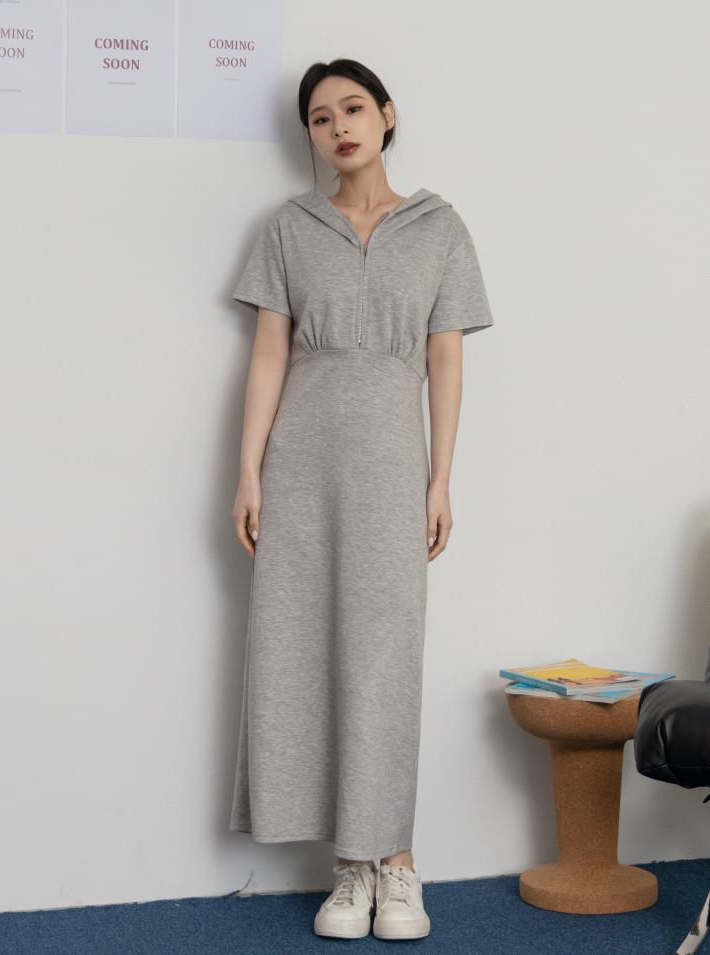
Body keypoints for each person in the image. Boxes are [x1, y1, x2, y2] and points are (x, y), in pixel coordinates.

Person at [230, 58, 494, 940]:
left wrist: (439, 477)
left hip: (389, 463)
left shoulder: (439, 227)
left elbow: (445, 358)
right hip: (299, 462)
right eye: (319, 117)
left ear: (385, 113)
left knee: (384, 655)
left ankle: (397, 861)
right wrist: (248, 472)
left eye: (351, 108)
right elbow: (269, 354)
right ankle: (348, 866)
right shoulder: (288, 227)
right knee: (299, 649)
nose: (337, 126)